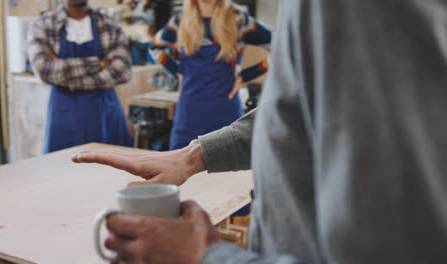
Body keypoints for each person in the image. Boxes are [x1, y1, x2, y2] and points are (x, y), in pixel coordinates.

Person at [73, 0, 447, 263]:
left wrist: (206, 256)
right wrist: (193, 156)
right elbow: (299, 111)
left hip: (222, 102)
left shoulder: (344, 9)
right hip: (195, 108)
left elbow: (394, 249)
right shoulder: (183, 20)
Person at [149, 0, 271, 150]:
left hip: (225, 112)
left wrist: (246, 75)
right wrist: (178, 72)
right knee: (180, 166)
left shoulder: (239, 19)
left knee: (228, 167)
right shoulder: (180, 21)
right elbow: (154, 47)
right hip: (189, 113)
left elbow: (281, 46)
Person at [28, 0, 132, 153]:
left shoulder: (109, 24)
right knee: (64, 170)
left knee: (113, 170)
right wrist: (98, 63)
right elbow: (45, 70)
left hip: (105, 113)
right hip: (63, 115)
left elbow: (122, 71)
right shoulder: (43, 24)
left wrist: (69, 78)